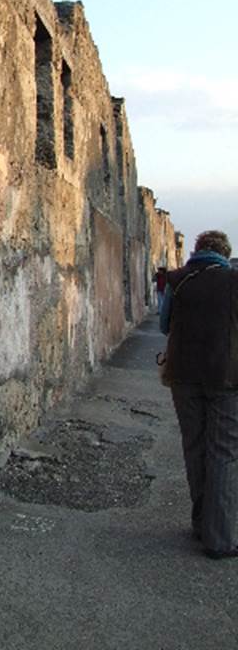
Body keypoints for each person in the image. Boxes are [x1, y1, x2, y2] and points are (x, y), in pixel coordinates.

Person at [160, 230, 238, 558]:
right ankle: (220, 539)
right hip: (226, 377)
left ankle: (200, 522)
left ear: (197, 250)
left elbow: (164, 325)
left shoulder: (178, 280)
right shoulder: (233, 281)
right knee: (224, 452)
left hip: (182, 374)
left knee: (194, 447)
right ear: (225, 253)